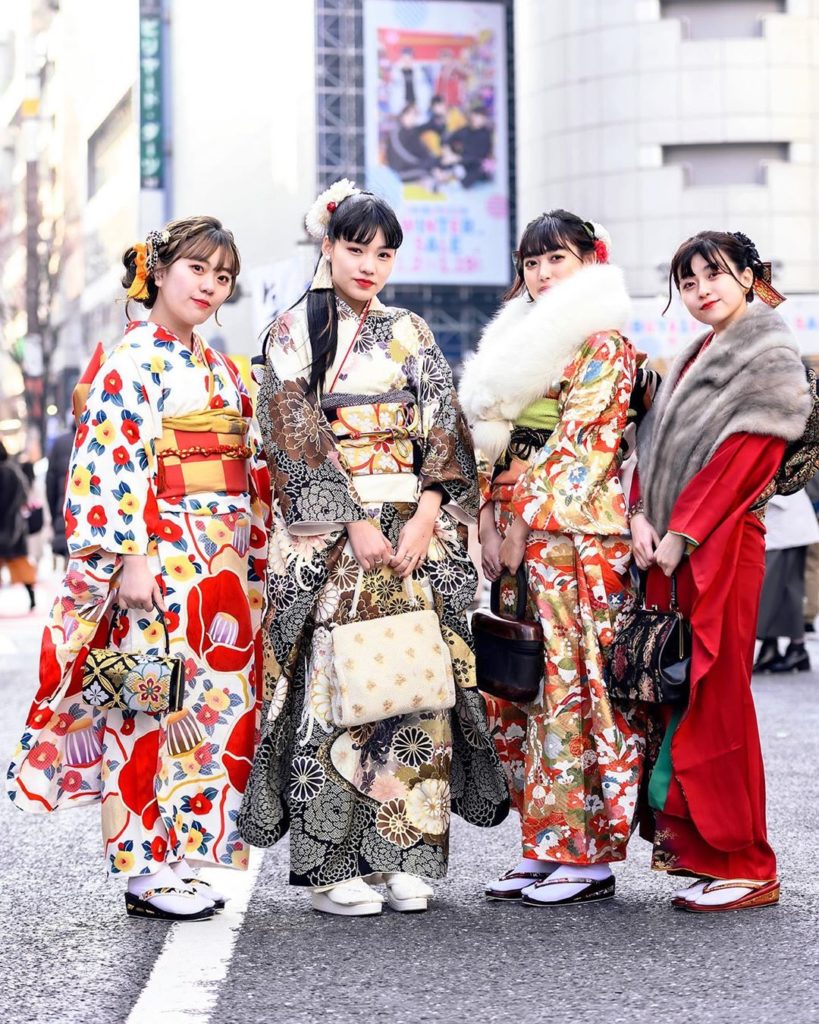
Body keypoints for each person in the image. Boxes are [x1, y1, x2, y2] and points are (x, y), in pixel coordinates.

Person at [237, 179, 509, 917]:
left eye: (383, 253)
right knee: (339, 691)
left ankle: (405, 853)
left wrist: (426, 513)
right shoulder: (294, 329)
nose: (369, 264)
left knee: (414, 685)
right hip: (336, 540)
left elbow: (443, 429)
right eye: (356, 248)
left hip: (411, 534)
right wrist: (353, 521)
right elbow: (292, 428)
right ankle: (330, 866)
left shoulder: (411, 331)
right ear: (328, 246)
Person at [7, 216, 269, 922]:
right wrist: (131, 556)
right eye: (197, 269)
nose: (210, 287)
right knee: (146, 705)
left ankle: (180, 855)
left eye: (223, 277)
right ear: (158, 270)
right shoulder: (134, 357)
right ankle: (142, 864)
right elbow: (113, 464)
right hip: (157, 556)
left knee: (204, 711)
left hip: (216, 559)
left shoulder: (213, 362)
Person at [459, 209, 642, 906]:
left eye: (554, 260)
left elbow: (583, 448)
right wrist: (485, 513)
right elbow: (490, 442)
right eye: (530, 263)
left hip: (571, 536)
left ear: (588, 260)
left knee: (573, 688)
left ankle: (585, 852)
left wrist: (521, 522)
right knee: (521, 687)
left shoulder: (604, 343)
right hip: (517, 528)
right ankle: (541, 844)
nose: (539, 275)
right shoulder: (520, 341)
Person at [631, 230, 811, 912]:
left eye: (714, 274)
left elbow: (746, 455)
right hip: (673, 546)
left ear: (747, 276)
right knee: (680, 693)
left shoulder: (765, 350)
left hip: (721, 541)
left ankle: (747, 860)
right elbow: (647, 448)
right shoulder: (691, 354)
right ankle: (708, 854)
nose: (701, 289)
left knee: (718, 693)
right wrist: (641, 519)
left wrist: (681, 530)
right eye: (687, 280)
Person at [754, 489, 819, 672]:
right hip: (782, 527)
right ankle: (773, 648)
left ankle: (796, 648)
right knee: (782, 592)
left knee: (781, 592)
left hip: (785, 527)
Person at [0, 442, 36, 611]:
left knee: (19, 563)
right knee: (21, 565)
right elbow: (23, 494)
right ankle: (32, 597)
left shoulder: (7, 471)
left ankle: (32, 597)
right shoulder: (13, 470)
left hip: (6, 525)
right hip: (14, 526)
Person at [46, 429, 76, 562]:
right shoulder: (109, 434)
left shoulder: (60, 443)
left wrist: (55, 519)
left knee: (74, 575)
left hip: (68, 518)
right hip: (102, 524)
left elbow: (50, 487)